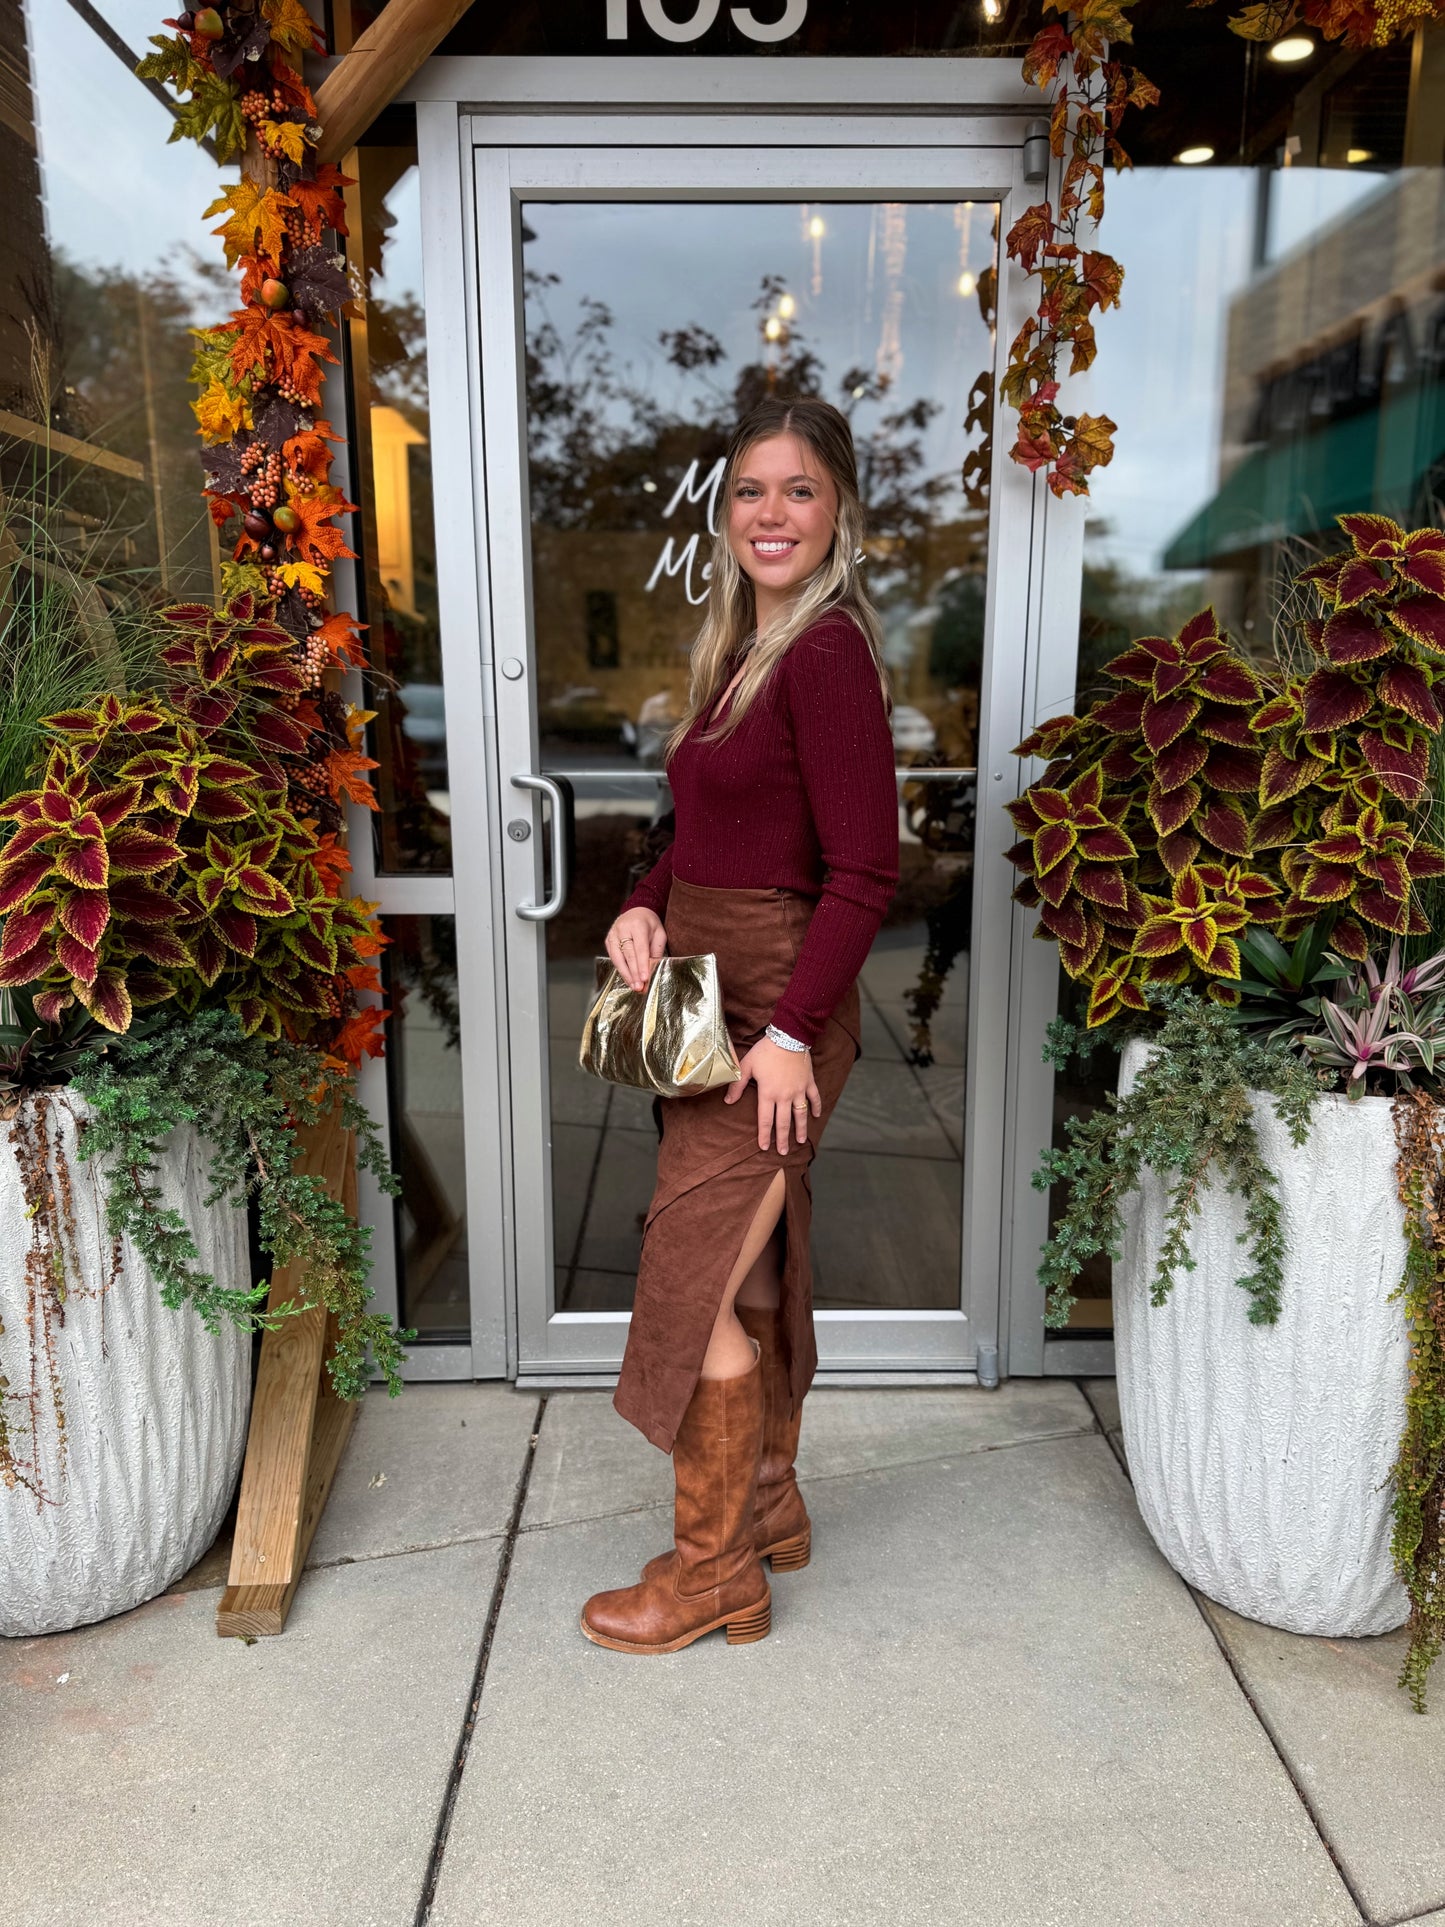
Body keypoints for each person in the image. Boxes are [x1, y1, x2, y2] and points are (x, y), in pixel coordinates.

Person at [580, 395, 900, 1655]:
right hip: (713, 989)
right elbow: (703, 834)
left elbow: (863, 873)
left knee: (690, 1278)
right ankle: (764, 1504)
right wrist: (642, 902)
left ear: (839, 511)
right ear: (723, 514)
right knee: (752, 1265)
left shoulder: (823, 656)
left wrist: (791, 1034)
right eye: (750, 491)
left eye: (799, 489)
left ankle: (711, 1575)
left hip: (775, 998)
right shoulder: (741, 648)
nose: (772, 513)